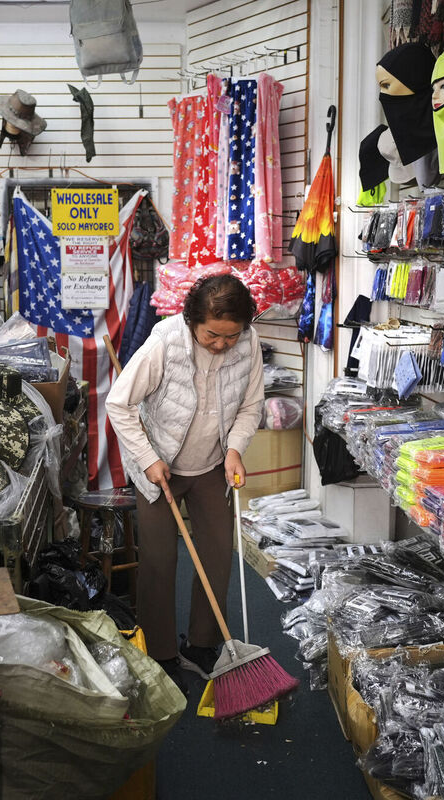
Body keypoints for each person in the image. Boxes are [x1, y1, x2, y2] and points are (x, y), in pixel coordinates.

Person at [106, 274, 265, 693]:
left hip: (213, 465)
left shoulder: (248, 343)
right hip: (161, 467)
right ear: (193, 319)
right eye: (213, 335)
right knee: (159, 562)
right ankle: (160, 653)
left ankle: (202, 644)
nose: (221, 345)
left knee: (216, 557)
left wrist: (235, 449)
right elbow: (118, 404)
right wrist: (148, 458)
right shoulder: (164, 343)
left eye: (231, 336)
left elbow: (251, 405)